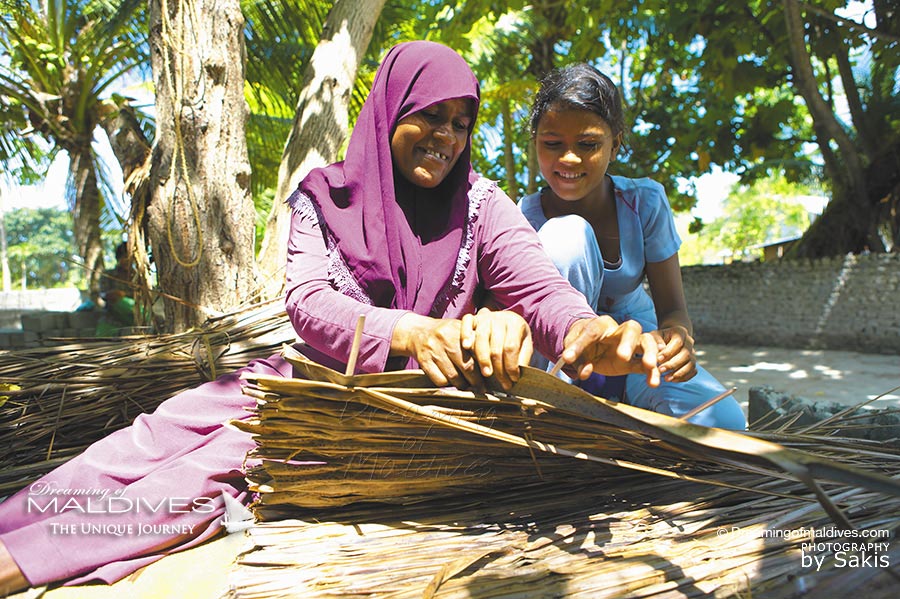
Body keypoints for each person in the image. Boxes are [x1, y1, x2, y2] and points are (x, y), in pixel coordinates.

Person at [0, 42, 660, 594]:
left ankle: (18, 563)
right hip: (294, 378)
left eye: (462, 124)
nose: (447, 137)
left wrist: (595, 335)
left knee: (197, 475)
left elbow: (544, 293)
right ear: (390, 109)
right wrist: (411, 329)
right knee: (152, 436)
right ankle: (10, 524)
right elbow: (310, 302)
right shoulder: (325, 195)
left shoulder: (482, 207)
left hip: (375, 410)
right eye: (430, 115)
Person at [519, 63, 746, 430]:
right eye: (552, 143)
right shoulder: (521, 219)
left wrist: (677, 340)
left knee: (723, 423)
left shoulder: (645, 203)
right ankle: (552, 408)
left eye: (588, 144)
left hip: (636, 346)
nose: (569, 158)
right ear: (535, 143)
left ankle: (625, 398)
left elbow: (673, 310)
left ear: (616, 144)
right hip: (558, 358)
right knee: (566, 235)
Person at [96, 241, 137, 336]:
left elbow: (144, 297)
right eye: (125, 257)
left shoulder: (139, 277)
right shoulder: (108, 274)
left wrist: (124, 295)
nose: (128, 261)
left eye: (131, 258)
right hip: (111, 318)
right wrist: (111, 294)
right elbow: (102, 294)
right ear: (118, 258)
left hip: (134, 316)